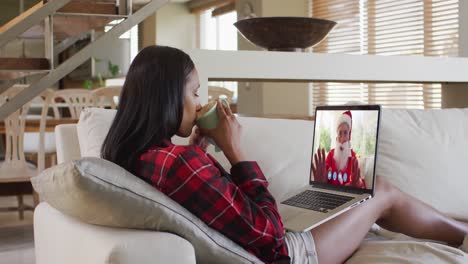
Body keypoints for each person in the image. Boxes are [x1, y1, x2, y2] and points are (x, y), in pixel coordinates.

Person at [101, 45, 468, 264]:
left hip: (275, 241)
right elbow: (270, 236)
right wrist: (234, 150)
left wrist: (199, 150)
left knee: (361, 201)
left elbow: (208, 202)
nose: (199, 102)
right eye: (194, 92)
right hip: (290, 255)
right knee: (381, 192)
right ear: (167, 96)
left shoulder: (141, 156)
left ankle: (458, 228)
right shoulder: (180, 163)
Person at [312, 111, 366, 188]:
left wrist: (356, 185)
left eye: (345, 133)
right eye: (340, 133)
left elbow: (359, 181)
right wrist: (323, 181)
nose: (342, 138)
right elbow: (324, 175)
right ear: (336, 136)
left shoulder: (353, 157)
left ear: (349, 136)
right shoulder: (331, 154)